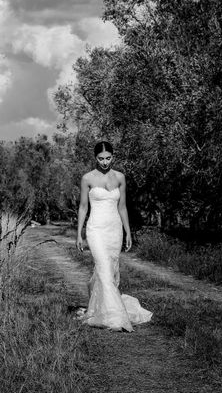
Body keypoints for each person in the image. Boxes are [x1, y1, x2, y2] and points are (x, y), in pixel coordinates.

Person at [75, 141, 152, 331]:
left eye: (108, 158)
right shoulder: (87, 179)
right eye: (100, 158)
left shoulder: (120, 177)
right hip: (96, 229)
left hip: (114, 229)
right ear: (95, 158)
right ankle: (115, 317)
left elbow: (122, 207)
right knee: (103, 268)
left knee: (110, 270)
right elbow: (83, 207)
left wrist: (128, 231)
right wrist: (79, 233)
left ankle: (101, 308)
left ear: (113, 157)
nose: (104, 162)